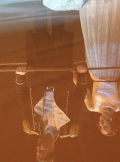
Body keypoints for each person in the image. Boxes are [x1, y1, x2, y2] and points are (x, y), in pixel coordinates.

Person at [15, 10, 87, 161]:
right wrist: (81, 75)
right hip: (61, 70)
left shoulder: (31, 127)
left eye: (36, 151)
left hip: (38, 69)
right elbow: (79, 97)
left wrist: (20, 77)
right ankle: (58, 3)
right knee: (59, 30)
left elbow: (22, 97)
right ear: (51, 149)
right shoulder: (68, 128)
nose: (37, 147)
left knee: (39, 31)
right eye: (41, 151)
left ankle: (38, 2)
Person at [79, 0, 120, 136]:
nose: (102, 123)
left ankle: (93, 3)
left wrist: (77, 73)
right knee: (112, 36)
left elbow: (82, 88)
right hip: (113, 69)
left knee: (97, 36)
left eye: (101, 125)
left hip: (97, 71)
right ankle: (110, 4)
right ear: (113, 122)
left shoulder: (92, 107)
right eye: (106, 125)